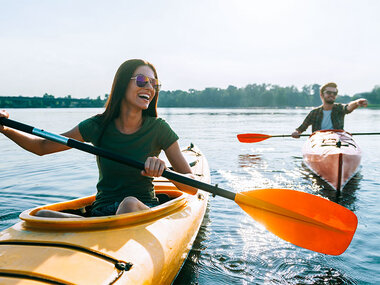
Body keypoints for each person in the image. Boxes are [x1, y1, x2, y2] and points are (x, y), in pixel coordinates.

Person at [0, 59, 198, 218]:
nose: (149, 88)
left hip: (140, 210)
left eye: (154, 84)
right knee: (42, 215)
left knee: (128, 203)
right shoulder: (97, 126)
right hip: (101, 212)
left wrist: (163, 169)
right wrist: (5, 129)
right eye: (141, 80)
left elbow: (192, 186)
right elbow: (42, 146)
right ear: (122, 84)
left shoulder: (159, 129)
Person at [292, 82, 368, 138]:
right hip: (319, 140)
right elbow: (301, 128)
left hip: (338, 139)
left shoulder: (339, 108)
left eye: (334, 93)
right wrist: (296, 132)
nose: (332, 94)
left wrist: (357, 102)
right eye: (328, 92)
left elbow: (348, 107)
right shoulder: (314, 113)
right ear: (322, 95)